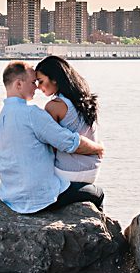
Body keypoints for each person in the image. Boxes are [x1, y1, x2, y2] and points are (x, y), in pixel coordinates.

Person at [0, 60, 106, 214]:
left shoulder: (4, 115)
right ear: (19, 84)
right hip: (39, 197)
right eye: (33, 82)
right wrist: (98, 148)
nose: (36, 86)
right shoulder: (32, 114)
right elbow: (69, 143)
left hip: (10, 194)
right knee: (98, 193)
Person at [34, 55, 102, 184]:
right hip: (93, 170)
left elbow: (51, 146)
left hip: (68, 173)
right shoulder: (85, 100)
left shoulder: (55, 106)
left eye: (40, 81)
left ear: (54, 79)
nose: (38, 87)